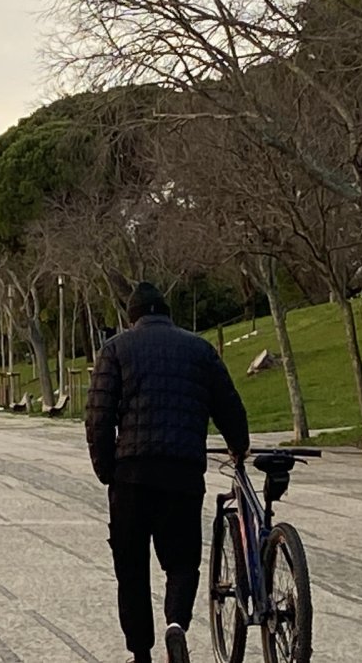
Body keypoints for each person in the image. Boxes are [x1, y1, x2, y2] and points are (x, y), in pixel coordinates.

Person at [86, 282, 250, 663]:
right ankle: (176, 624)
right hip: (183, 474)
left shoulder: (115, 350)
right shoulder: (200, 349)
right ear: (167, 313)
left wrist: (107, 469)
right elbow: (228, 404)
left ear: (132, 317)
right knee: (182, 562)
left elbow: (98, 417)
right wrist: (238, 444)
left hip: (132, 475)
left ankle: (141, 652)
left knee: (131, 567)